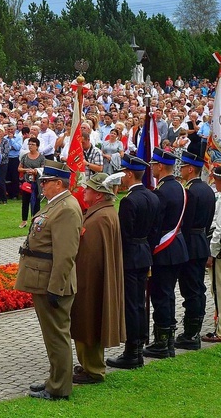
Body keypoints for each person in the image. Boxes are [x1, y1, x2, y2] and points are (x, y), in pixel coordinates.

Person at [16, 160, 82, 401]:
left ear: (58, 183)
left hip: (52, 282)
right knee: (51, 335)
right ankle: (54, 379)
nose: (41, 185)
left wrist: (56, 286)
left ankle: (59, 388)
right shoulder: (56, 204)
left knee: (57, 335)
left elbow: (66, 254)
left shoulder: (66, 208)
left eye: (45, 182)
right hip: (43, 278)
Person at [70, 172, 126, 384]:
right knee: (88, 322)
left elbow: (89, 257)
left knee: (88, 322)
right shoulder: (103, 213)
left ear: (100, 195)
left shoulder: (100, 218)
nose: (84, 191)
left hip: (90, 281)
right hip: (93, 279)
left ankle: (93, 369)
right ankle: (89, 364)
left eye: (89, 189)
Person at [107, 154, 160, 369]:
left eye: (123, 174)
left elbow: (124, 234)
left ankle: (132, 351)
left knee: (131, 304)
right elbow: (155, 231)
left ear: (129, 174)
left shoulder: (129, 201)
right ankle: (137, 347)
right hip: (145, 252)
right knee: (139, 304)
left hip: (130, 256)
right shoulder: (152, 196)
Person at [144, 148, 189, 359]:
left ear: (160, 166)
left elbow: (155, 224)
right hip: (177, 247)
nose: (151, 167)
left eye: (153, 164)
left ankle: (162, 342)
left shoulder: (161, 191)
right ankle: (168, 338)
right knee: (168, 294)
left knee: (161, 296)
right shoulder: (179, 186)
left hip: (164, 248)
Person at [175, 150, 215, 349]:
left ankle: (190, 334)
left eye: (183, 166)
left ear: (190, 169)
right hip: (201, 241)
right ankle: (194, 329)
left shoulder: (189, 191)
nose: (180, 169)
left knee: (190, 289)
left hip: (190, 243)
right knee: (198, 287)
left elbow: (185, 221)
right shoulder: (207, 189)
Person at [204, 166, 221, 343]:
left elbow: (219, 230)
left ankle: (220, 330)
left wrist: (212, 252)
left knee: (218, 290)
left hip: (219, 253)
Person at [18, 137, 45, 228]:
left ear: (37, 146)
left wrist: (35, 171)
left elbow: (43, 169)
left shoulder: (41, 157)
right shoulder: (25, 157)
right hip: (27, 182)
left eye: (33, 144)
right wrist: (26, 170)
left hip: (36, 182)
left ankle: (35, 219)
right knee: (25, 202)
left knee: (36, 202)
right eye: (29, 144)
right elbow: (19, 168)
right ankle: (24, 220)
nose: (30, 146)